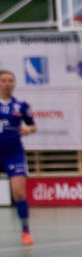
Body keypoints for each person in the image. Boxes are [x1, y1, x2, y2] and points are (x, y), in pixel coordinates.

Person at [0, 69, 36, 245]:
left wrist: (28, 129)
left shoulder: (21, 105)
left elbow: (32, 126)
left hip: (14, 153)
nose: (7, 83)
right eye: (4, 80)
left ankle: (25, 230)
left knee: (19, 193)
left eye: (10, 80)